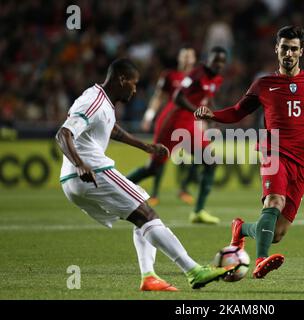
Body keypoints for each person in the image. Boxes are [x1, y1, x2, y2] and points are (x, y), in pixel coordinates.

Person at [56, 58, 234, 291]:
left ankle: (149, 277)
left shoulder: (103, 101)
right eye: (133, 83)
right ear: (121, 79)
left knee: (141, 216)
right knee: (147, 213)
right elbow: (63, 133)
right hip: (91, 171)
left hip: (74, 181)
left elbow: (113, 131)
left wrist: (146, 147)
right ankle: (193, 270)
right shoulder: (94, 101)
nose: (135, 89)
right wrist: (80, 164)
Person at [194, 26, 304, 278]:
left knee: (277, 233)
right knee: (274, 201)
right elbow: (238, 111)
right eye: (284, 47)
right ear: (276, 49)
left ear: (301, 52)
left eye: (294, 48)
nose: (289, 53)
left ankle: (241, 229)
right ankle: (260, 260)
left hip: (302, 161)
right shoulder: (264, 84)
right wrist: (213, 114)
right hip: (272, 150)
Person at [132, 46, 228, 225]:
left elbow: (208, 98)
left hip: (190, 124)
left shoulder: (217, 78)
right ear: (207, 59)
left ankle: (198, 212)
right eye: (216, 60)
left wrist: (214, 116)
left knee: (211, 160)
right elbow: (177, 97)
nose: (219, 65)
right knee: (152, 168)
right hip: (172, 122)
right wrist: (198, 111)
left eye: (222, 62)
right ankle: (116, 188)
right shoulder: (196, 74)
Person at [128, 47, 199, 207]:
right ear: (179, 58)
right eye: (184, 56)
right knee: (157, 160)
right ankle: (150, 192)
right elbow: (158, 96)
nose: (187, 59)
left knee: (205, 155)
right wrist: (149, 116)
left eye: (190, 56)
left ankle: (184, 188)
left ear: (194, 59)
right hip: (170, 122)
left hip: (190, 122)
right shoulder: (169, 75)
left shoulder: (198, 77)